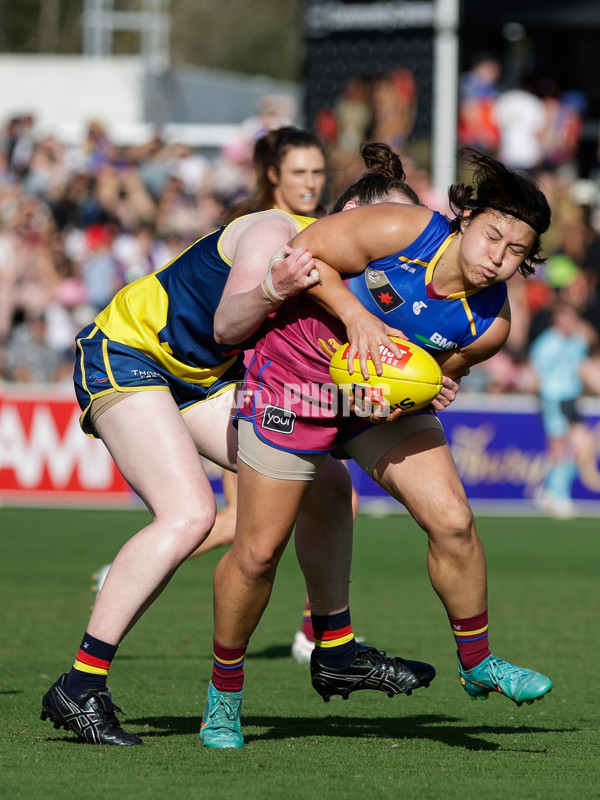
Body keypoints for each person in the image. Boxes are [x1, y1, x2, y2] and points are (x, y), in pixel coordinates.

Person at [41, 139, 446, 747]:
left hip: (205, 379)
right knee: (190, 514)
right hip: (129, 353)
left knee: (327, 482)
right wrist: (274, 288)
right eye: (394, 226)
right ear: (354, 219)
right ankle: (80, 684)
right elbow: (228, 325)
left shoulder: (358, 277)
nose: (406, 242)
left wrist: (426, 383)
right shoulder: (276, 232)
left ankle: (335, 648)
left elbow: (344, 371)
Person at [203, 148, 555, 748]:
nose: (498, 258)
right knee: (258, 552)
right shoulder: (401, 228)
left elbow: (430, 376)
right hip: (295, 375)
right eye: (493, 236)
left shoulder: (490, 325)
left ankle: (478, 661)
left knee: (453, 519)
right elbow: (300, 255)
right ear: (465, 218)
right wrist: (354, 317)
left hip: (367, 402)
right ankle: (224, 696)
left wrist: (416, 397)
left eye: (516, 252)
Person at [90, 126, 330, 596]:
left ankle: (322, 637)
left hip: (242, 380)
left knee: (323, 492)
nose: (311, 182)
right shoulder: (259, 224)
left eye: (319, 172)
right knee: (232, 514)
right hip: (223, 377)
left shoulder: (322, 230)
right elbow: (222, 315)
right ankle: (128, 574)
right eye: (300, 171)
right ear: (273, 175)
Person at [530, 299, 597, 518]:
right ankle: (556, 495)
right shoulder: (546, 344)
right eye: (565, 316)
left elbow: (582, 368)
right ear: (557, 319)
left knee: (579, 446)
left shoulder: (577, 342)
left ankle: (551, 491)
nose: (570, 321)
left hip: (571, 398)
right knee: (559, 449)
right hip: (554, 398)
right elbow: (536, 376)